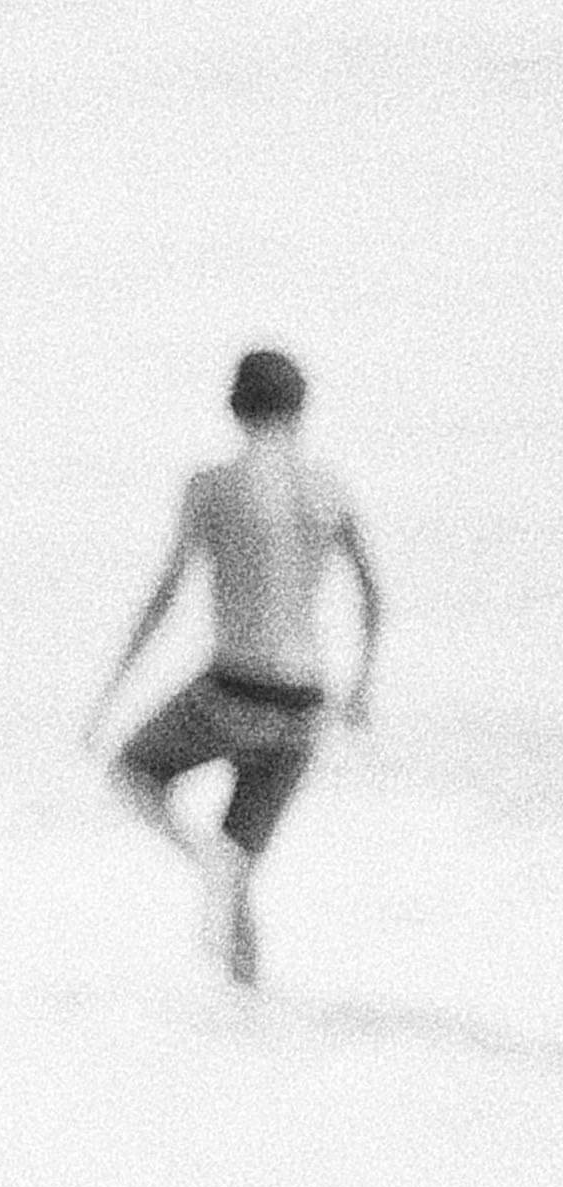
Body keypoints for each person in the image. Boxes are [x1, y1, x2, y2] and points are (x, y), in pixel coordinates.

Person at [86, 349, 383, 986]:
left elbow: (167, 595)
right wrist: (360, 689)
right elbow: (372, 594)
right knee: (239, 873)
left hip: (231, 691)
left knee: (131, 771)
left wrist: (111, 689)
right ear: (300, 407)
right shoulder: (330, 490)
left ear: (235, 404)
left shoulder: (214, 485)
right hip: (305, 707)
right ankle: (247, 1013)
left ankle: (205, 862)